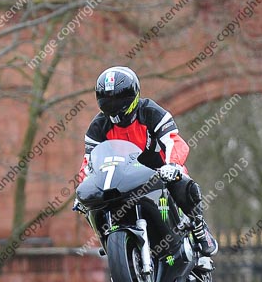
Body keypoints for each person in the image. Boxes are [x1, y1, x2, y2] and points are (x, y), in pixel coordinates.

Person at [75, 66, 218, 256]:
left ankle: (199, 226)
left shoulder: (151, 112)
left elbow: (174, 141)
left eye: (120, 100)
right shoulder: (97, 127)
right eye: (108, 101)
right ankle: (110, 239)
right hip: (122, 177)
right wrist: (83, 187)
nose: (115, 107)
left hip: (159, 168)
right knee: (91, 200)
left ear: (133, 96)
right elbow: (89, 163)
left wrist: (173, 165)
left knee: (181, 180)